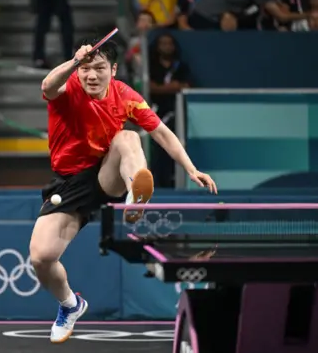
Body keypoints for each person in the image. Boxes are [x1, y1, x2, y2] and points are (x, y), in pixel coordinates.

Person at [30, 38, 217, 343]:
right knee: (41, 257)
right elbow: (49, 85)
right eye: (86, 68)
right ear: (79, 69)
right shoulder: (69, 88)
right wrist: (73, 62)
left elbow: (161, 133)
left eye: (100, 68)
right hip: (70, 184)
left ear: (113, 69)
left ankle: (134, 198)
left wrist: (190, 168)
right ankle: (70, 305)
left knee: (128, 138)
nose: (92, 75)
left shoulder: (126, 96)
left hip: (108, 174)